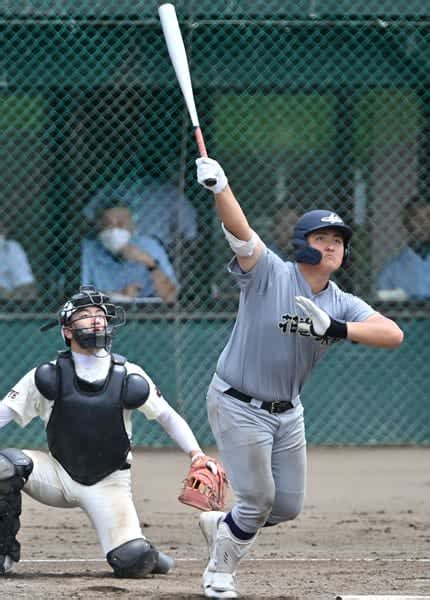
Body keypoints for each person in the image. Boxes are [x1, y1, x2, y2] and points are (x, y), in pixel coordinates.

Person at [194, 157, 404, 599]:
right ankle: (219, 572)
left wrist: (338, 328)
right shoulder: (270, 272)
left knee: (285, 506)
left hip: (288, 414)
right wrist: (220, 188)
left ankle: (223, 525)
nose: (331, 246)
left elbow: (393, 334)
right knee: (257, 501)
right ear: (301, 242)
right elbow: (241, 235)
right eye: (322, 237)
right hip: (238, 401)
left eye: (339, 242)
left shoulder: (341, 303)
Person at [0, 285, 219, 577]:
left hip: (109, 483)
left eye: (100, 315)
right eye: (85, 315)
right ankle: (4, 555)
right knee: (4, 467)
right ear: (66, 331)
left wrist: (196, 454)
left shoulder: (130, 375)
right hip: (57, 474)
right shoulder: (48, 374)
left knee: (132, 561)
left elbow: (167, 416)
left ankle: (150, 554)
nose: (96, 320)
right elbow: (4, 412)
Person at [82, 204, 178, 303]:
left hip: (147, 312)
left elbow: (170, 296)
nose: (114, 230)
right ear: (99, 228)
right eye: (107, 224)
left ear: (133, 228)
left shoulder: (150, 246)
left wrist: (150, 263)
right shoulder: (89, 249)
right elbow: (79, 294)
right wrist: (119, 295)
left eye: (121, 224)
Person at [83, 176, 198, 254]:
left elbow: (189, 234)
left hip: (160, 248)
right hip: (116, 246)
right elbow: (88, 218)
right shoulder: (117, 187)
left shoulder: (172, 194)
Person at [376, 195, 430, 300]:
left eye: (429, 216)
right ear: (406, 222)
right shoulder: (393, 270)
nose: (424, 223)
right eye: (417, 218)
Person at [0, 221, 37, 301]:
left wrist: (10, 295)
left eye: (0, 231)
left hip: (8, 301)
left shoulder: (11, 248)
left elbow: (26, 283)